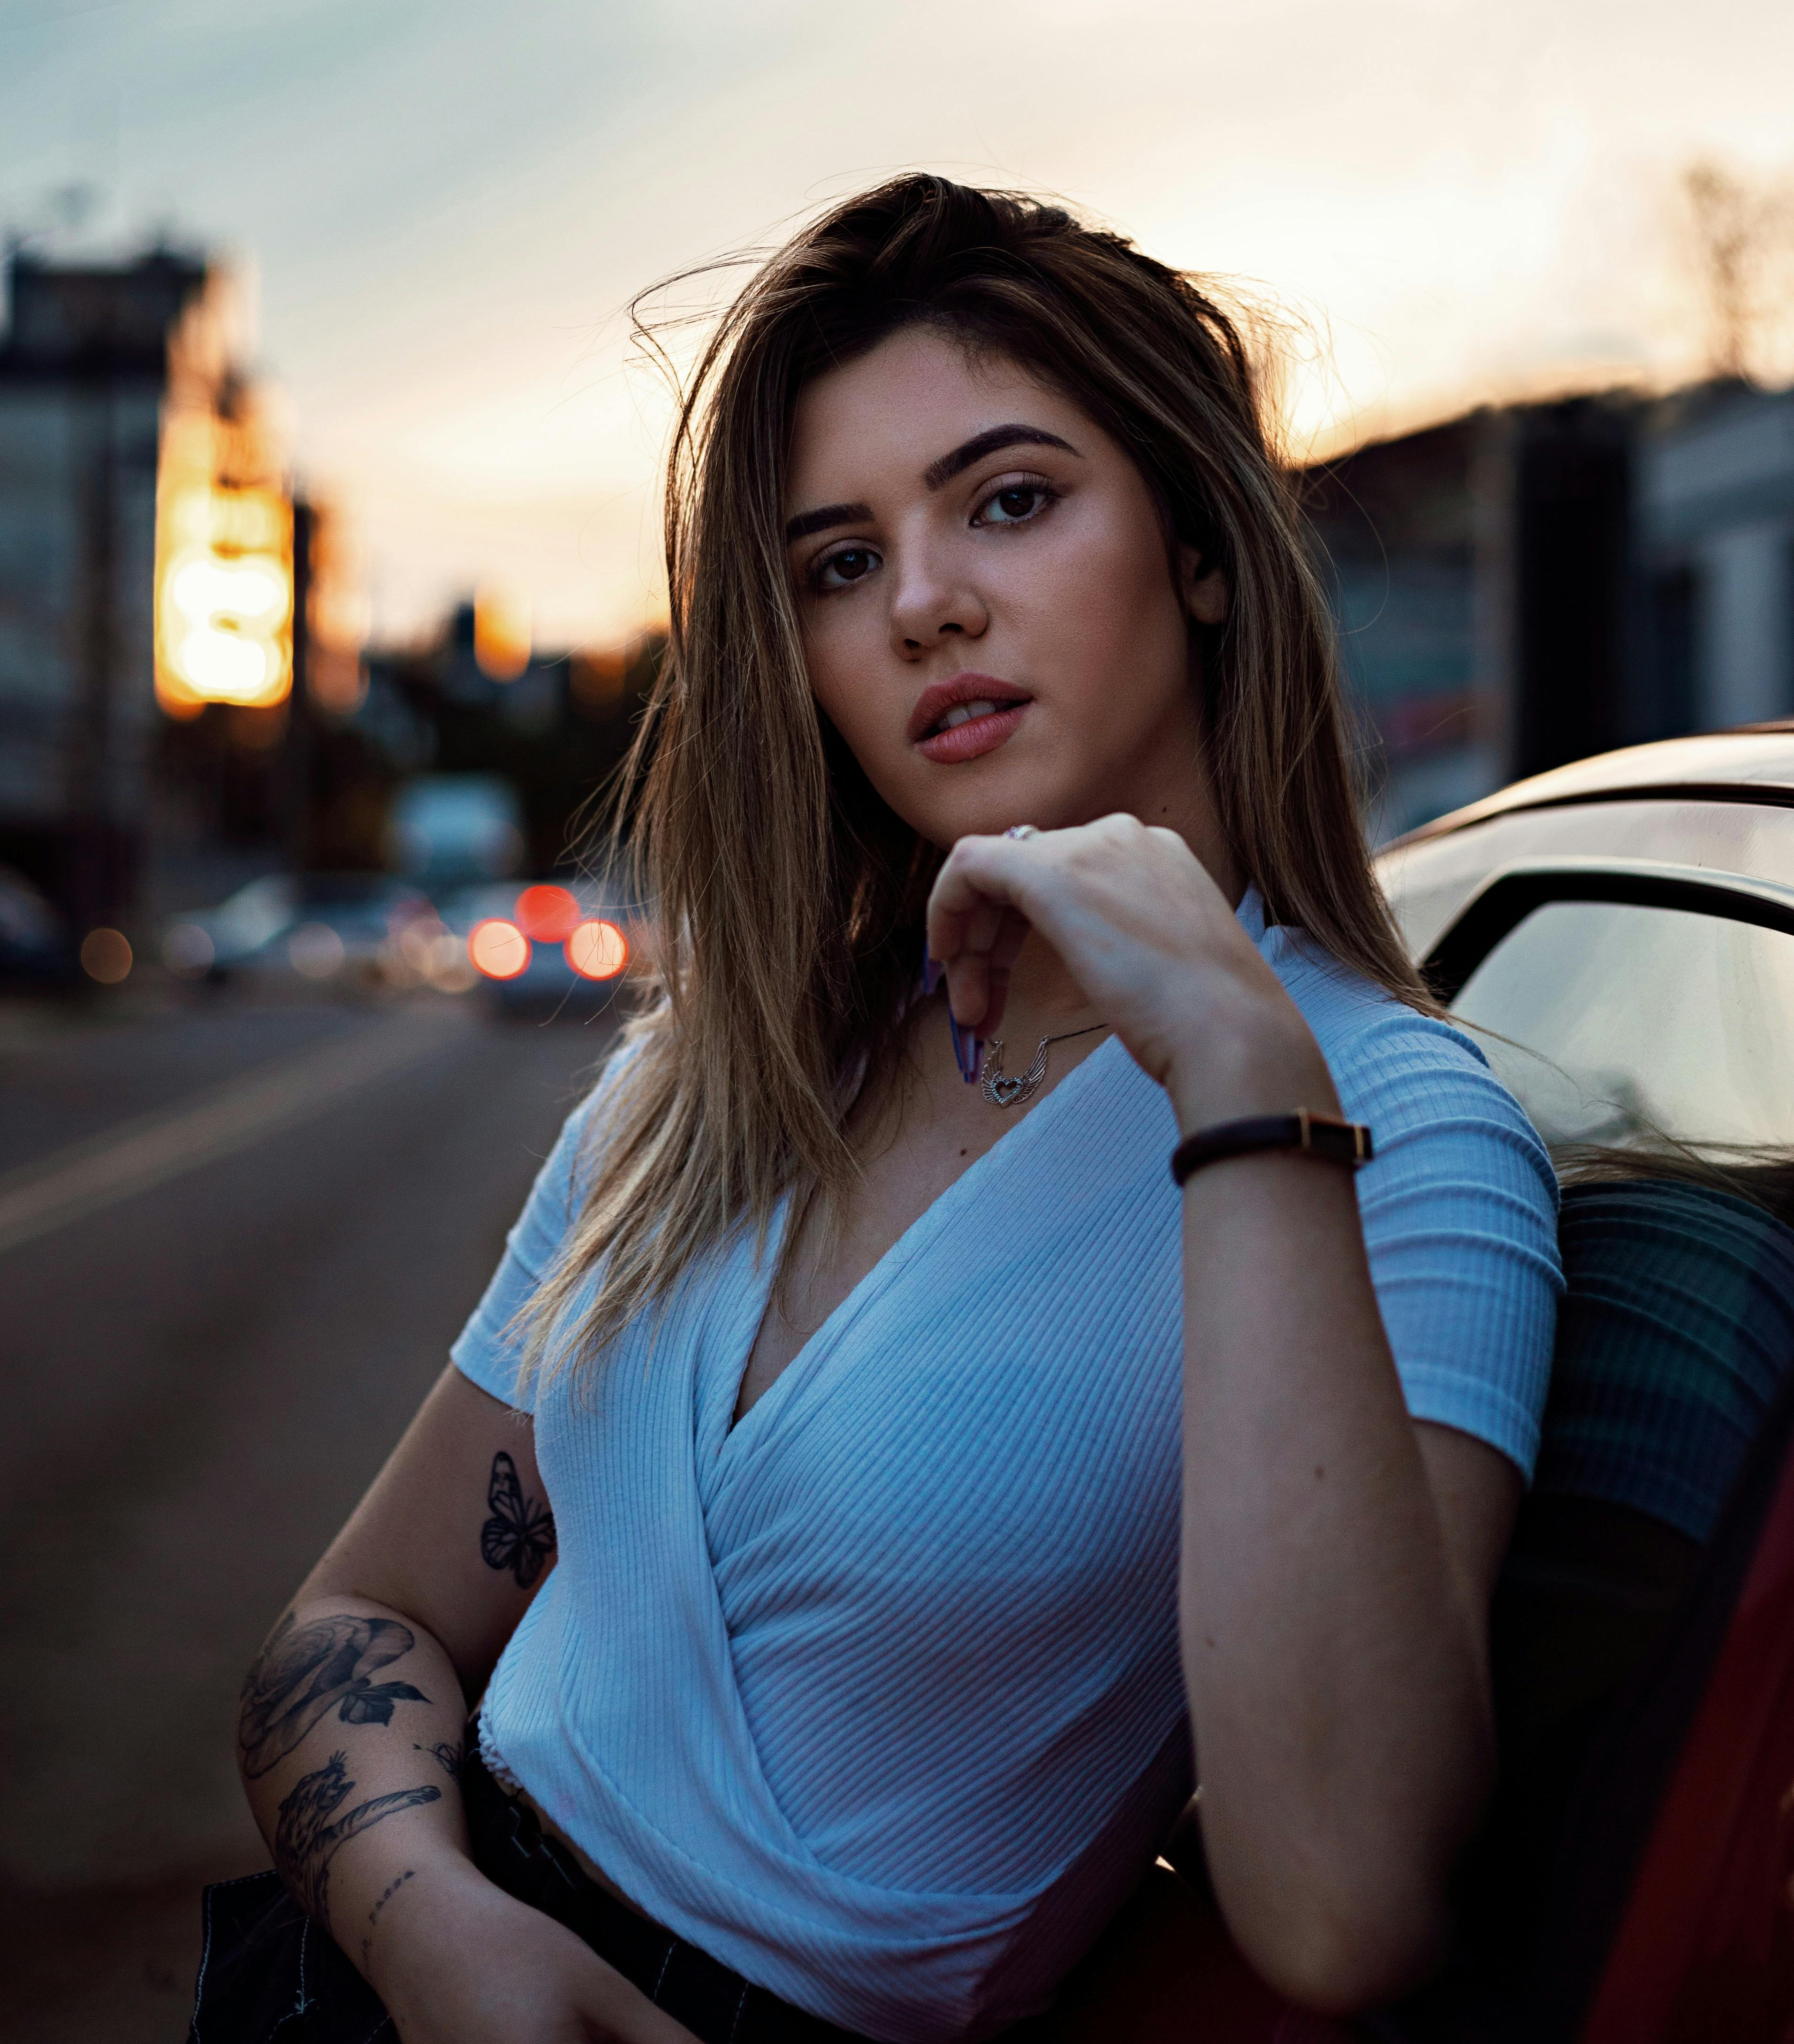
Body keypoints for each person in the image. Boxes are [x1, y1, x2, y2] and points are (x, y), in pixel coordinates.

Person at [205, 175, 1561, 2044]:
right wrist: (442, 1930)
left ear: (1199, 549)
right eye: (836, 561)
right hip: (351, 1978)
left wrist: (1237, 1070)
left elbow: (1343, 1905)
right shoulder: (716, 1070)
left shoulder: (1392, 1134)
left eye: (1009, 499)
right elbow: (351, 1623)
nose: (920, 603)